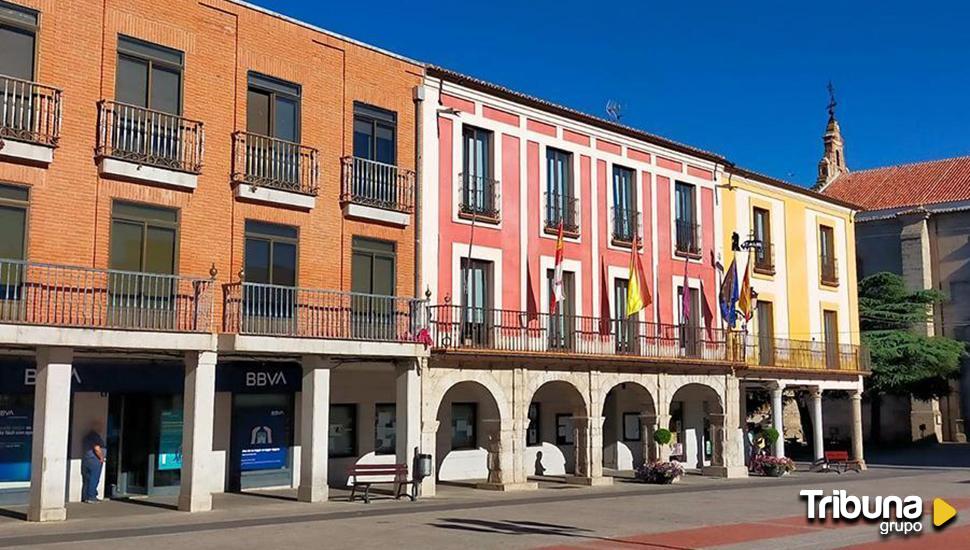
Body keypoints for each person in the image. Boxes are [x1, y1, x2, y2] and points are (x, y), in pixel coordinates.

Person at [81, 425, 106, 503]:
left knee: (87, 480)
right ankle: (91, 497)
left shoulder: (87, 437)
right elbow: (96, 448)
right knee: (94, 479)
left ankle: (86, 496)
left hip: (86, 459)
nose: (102, 429)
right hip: (94, 460)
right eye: (100, 428)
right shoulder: (94, 437)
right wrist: (101, 458)